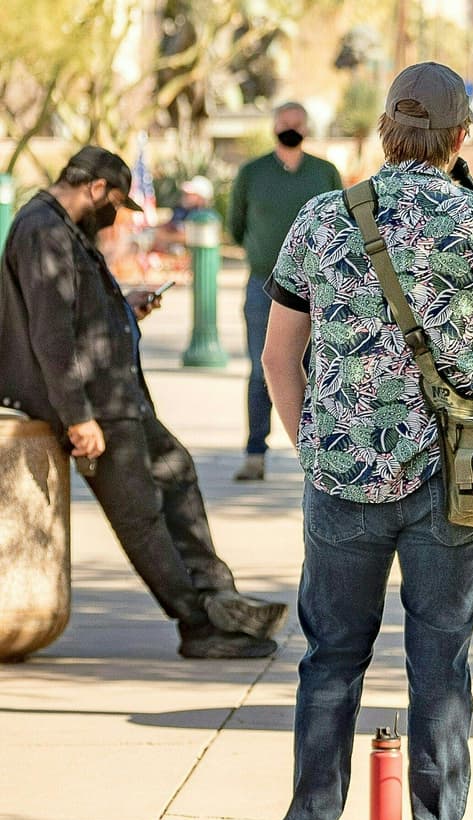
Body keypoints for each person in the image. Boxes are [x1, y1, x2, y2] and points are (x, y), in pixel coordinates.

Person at [259, 62, 473, 820]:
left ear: (385, 132)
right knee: (440, 658)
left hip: (340, 473)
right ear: (458, 139)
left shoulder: (319, 216)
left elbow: (279, 353)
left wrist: (315, 443)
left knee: (330, 656)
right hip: (451, 478)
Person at [0, 147, 287, 659]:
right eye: (113, 201)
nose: (114, 214)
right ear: (94, 190)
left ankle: (215, 593)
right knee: (141, 517)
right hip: (96, 406)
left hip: (118, 395)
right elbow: (50, 335)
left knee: (177, 470)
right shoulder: (42, 229)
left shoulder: (63, 229)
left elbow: (76, 316)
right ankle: (198, 624)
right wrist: (78, 418)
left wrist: (125, 309)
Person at [228, 102, 342, 481]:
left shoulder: (324, 173)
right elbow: (235, 226)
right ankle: (255, 452)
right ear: (274, 126)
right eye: (284, 122)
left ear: (306, 128)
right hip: (264, 285)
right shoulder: (252, 173)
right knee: (265, 366)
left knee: (319, 368)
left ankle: (319, 454)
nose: (290, 128)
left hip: (319, 288)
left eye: (297, 123)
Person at [152, 175, 213, 252]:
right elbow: (170, 225)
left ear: (200, 198)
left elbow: (193, 237)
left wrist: (166, 237)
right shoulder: (181, 210)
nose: (185, 196)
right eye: (185, 194)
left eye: (190, 194)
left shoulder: (205, 216)